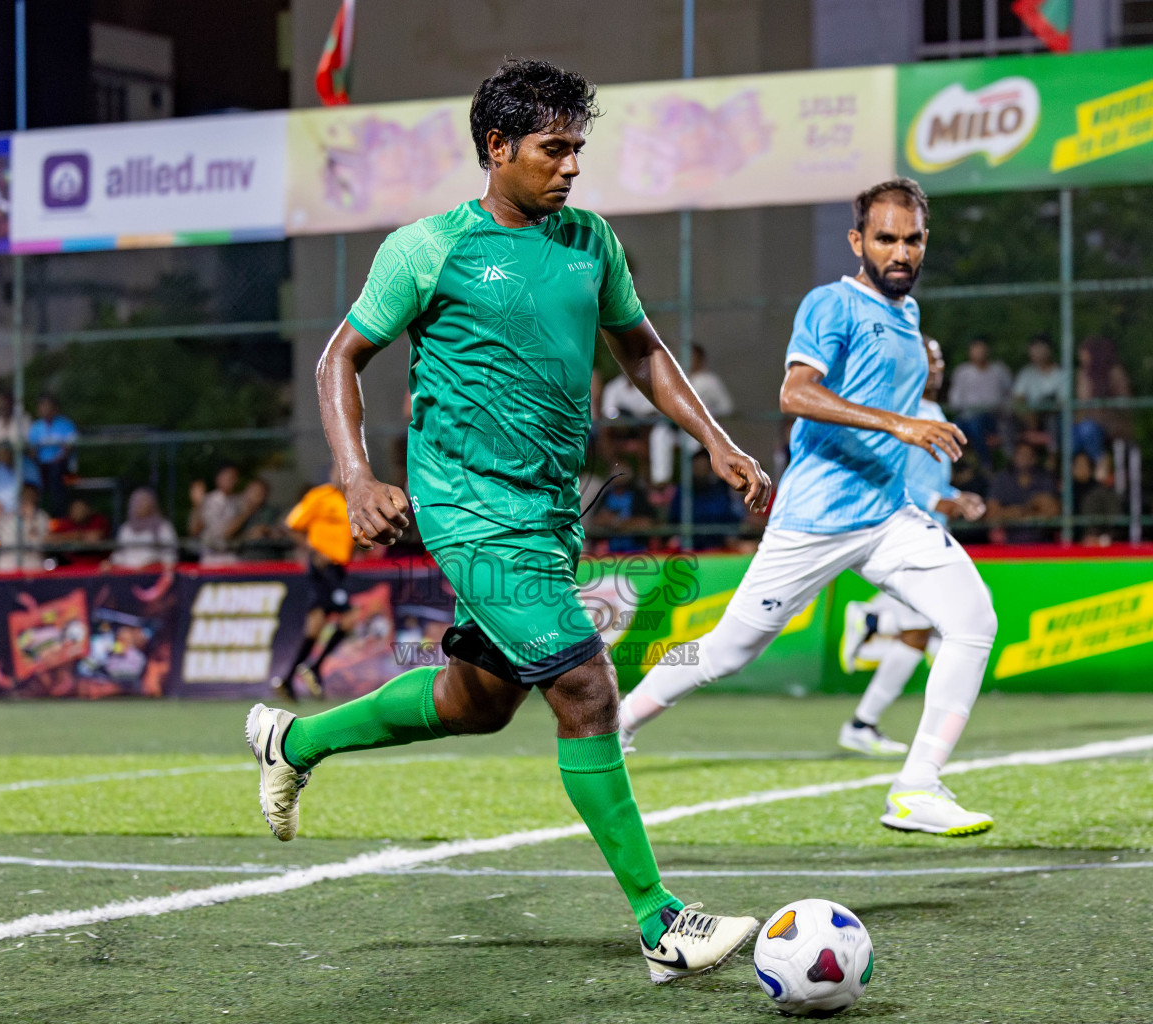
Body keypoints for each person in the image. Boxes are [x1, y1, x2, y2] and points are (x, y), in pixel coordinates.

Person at [243, 58, 771, 983]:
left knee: (476, 704)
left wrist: (715, 441)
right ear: (498, 147)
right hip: (466, 508)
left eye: (578, 149)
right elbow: (340, 358)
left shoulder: (589, 240)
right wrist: (357, 477)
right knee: (587, 688)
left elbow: (641, 351)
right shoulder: (428, 248)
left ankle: (295, 742)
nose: (571, 167)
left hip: (550, 513)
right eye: (553, 149)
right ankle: (661, 925)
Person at [617, 178, 998, 838]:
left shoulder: (907, 316)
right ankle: (614, 723)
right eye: (886, 238)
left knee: (973, 620)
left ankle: (916, 787)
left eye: (911, 239)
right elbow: (796, 393)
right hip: (816, 521)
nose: (900, 251)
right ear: (858, 242)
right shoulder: (831, 304)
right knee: (724, 653)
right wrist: (898, 425)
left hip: (888, 518)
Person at [836, 336, 987, 758]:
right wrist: (940, 501)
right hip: (898, 533)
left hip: (926, 534)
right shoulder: (898, 415)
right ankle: (872, 627)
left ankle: (864, 717)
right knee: (941, 627)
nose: (936, 366)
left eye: (939, 359)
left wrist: (956, 497)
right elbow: (888, 478)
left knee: (927, 632)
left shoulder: (932, 412)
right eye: (928, 359)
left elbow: (932, 485)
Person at [283, 471, 356, 698]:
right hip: (322, 567)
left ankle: (287, 679)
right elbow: (292, 525)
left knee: (315, 624)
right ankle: (313, 668)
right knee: (349, 617)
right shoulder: (320, 496)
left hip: (339, 569)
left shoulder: (355, 499)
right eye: (337, 469)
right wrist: (313, 551)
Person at [649, 344, 735, 485]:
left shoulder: (710, 381)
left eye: (692, 357)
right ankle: (661, 481)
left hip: (700, 428)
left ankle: (695, 479)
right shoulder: (674, 379)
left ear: (700, 359)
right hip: (677, 427)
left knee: (696, 446)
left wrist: (709, 416)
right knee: (660, 434)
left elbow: (727, 408)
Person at [946, 336, 1011, 463]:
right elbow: (954, 400)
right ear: (969, 351)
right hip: (966, 417)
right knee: (953, 429)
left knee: (976, 425)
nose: (979, 352)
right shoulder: (962, 372)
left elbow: (1010, 395)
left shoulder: (999, 370)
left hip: (992, 418)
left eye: (982, 348)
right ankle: (958, 465)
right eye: (975, 349)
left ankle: (985, 463)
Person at [1073, 335, 1132, 464]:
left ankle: (1102, 463)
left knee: (1087, 430)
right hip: (1086, 420)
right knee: (1070, 436)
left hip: (1110, 422)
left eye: (1084, 354)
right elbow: (1082, 402)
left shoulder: (1114, 372)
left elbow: (1124, 402)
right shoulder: (1083, 373)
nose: (1081, 358)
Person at [986, 442, 1059, 543]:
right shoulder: (1002, 479)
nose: (1023, 458)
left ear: (1034, 458)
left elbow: (1053, 511)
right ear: (1014, 457)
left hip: (1042, 540)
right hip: (1009, 540)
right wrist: (1028, 509)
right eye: (1020, 454)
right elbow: (992, 513)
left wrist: (1022, 512)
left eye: (1027, 455)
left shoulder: (1044, 478)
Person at [190, 463, 260, 566]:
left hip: (232, 556)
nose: (231, 481)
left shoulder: (239, 501)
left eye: (233, 478)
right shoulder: (208, 500)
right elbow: (196, 531)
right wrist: (197, 505)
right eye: (227, 477)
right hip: (211, 556)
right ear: (218, 478)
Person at [0, 484, 50, 572]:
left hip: (33, 571)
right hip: (7, 571)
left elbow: (40, 545)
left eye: (30, 497)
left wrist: (31, 521)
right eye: (24, 496)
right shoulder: (5, 518)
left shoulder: (41, 517)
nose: (27, 500)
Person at [27, 395, 78, 514]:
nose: (44, 409)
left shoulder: (66, 425)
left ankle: (58, 515)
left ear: (55, 408)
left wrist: (54, 460)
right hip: (41, 465)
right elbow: (32, 450)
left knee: (55, 475)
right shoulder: (36, 427)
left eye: (47, 406)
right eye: (41, 406)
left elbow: (68, 450)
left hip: (62, 467)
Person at [1010, 334, 1062, 446]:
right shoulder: (1026, 373)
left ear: (1049, 350)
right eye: (1033, 349)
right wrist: (1029, 416)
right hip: (1029, 416)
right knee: (1008, 420)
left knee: (1054, 421)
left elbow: (1062, 402)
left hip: (1050, 415)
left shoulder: (1061, 373)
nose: (1035, 352)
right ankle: (1013, 459)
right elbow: (1018, 398)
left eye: (1039, 348)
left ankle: (1052, 457)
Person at [109, 487, 178, 570]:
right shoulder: (126, 528)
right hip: (128, 575)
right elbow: (120, 554)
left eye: (144, 501)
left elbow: (170, 556)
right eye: (138, 502)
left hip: (154, 574)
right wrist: (111, 563)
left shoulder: (163, 527)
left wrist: (154, 564)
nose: (141, 505)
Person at [49, 498, 110, 567]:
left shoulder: (98, 520)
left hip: (96, 564)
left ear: (88, 509)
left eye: (81, 508)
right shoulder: (65, 523)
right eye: (75, 509)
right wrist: (76, 536)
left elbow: (94, 537)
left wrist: (73, 537)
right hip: (70, 565)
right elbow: (49, 538)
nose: (78, 512)